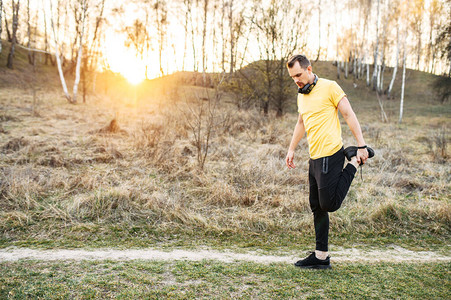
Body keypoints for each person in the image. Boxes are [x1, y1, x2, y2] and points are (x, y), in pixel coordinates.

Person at [285, 54, 374, 269]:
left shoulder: (330, 87)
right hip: (314, 157)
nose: (296, 79)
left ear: (309, 69)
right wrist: (291, 149)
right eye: (292, 77)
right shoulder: (301, 95)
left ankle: (352, 161)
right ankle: (321, 256)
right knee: (317, 206)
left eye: (298, 74)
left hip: (330, 154)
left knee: (329, 204)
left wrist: (361, 146)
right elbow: (300, 123)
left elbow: (348, 114)